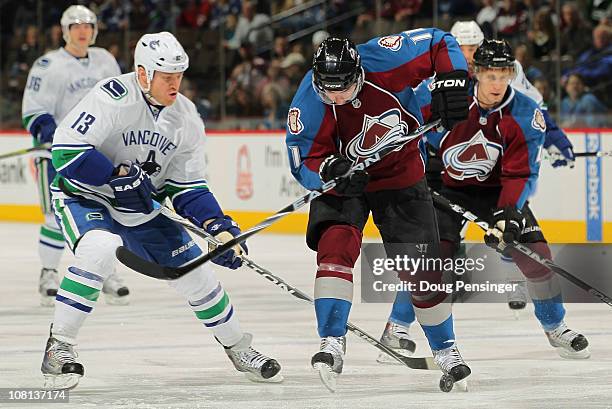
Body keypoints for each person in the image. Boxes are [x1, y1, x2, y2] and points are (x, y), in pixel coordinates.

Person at [41, 31, 282, 390]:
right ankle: (59, 346)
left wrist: (218, 226)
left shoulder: (186, 118)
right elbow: (66, 152)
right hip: (85, 197)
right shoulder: (113, 97)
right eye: (166, 76)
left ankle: (238, 347)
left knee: (195, 272)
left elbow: (188, 187)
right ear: (142, 74)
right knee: (99, 248)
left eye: (178, 76)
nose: (175, 84)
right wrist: (114, 176)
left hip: (140, 210)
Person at [285, 32, 471, 391]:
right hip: (345, 180)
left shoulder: (384, 61)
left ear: (359, 72)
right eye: (329, 91)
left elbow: (438, 42)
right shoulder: (308, 99)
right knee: (334, 251)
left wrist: (452, 81)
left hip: (400, 177)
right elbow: (302, 157)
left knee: (422, 269)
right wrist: (328, 171)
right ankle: (331, 341)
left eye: (344, 88)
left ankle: (446, 348)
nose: (337, 97)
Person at [388, 39, 591, 362]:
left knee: (536, 253)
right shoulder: (449, 97)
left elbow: (521, 173)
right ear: (476, 73)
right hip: (445, 184)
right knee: (432, 258)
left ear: (511, 73)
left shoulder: (526, 113)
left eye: (502, 75)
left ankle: (556, 326)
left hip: (497, 190)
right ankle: (397, 326)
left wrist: (508, 214)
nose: (496, 83)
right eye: (489, 75)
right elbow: (402, 122)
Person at [22, 5, 129, 306]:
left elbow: (122, 103)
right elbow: (34, 111)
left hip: (97, 153)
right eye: (76, 25)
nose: (83, 31)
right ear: (65, 30)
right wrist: (53, 135)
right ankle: (48, 273)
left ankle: (106, 271)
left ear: (94, 30)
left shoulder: (106, 61)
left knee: (104, 212)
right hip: (59, 155)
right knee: (55, 216)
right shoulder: (48, 65)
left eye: (88, 25)